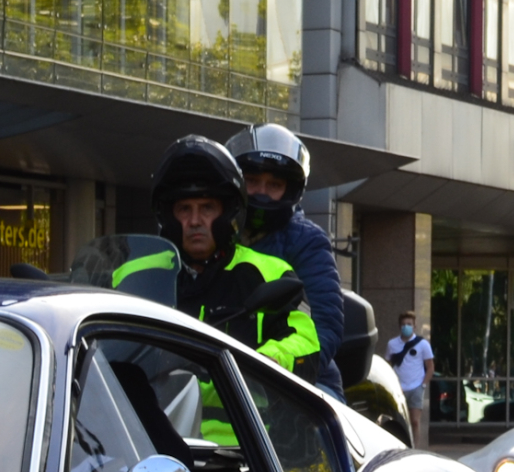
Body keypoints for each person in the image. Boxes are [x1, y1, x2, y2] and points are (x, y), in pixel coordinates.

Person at [115, 135, 322, 375]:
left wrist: (271, 358)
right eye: (184, 209)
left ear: (227, 212)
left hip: (235, 412)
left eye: (207, 208)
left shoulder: (269, 273)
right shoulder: (134, 272)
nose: (194, 221)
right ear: (168, 216)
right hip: (144, 410)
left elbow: (306, 342)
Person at [226, 123, 345, 394]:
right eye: (252, 181)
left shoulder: (308, 242)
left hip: (300, 380)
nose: (261, 191)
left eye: (274, 184)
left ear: (291, 190)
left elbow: (326, 325)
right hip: (217, 371)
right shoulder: (216, 234)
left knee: (318, 429)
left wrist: (274, 363)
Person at [384, 311, 435, 448]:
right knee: (398, 421)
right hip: (398, 388)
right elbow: (387, 364)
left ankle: (414, 448)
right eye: (404, 324)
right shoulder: (392, 344)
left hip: (416, 387)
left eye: (409, 324)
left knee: (415, 421)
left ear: (415, 326)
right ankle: (399, 447)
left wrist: (423, 385)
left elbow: (430, 367)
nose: (406, 327)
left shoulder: (423, 344)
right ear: (399, 326)